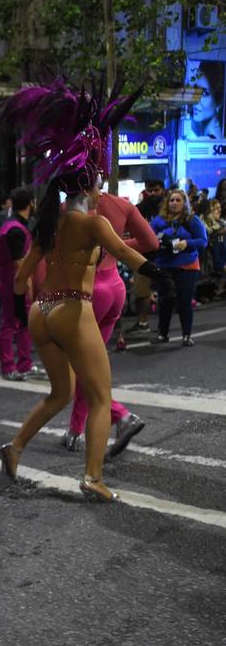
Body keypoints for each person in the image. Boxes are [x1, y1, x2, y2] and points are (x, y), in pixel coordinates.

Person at [0, 78, 171, 502]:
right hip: (73, 311)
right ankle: (92, 478)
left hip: (41, 313)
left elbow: (20, 282)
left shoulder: (47, 226)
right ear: (90, 187)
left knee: (59, 393)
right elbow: (127, 257)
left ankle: (14, 447)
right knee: (99, 395)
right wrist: (156, 273)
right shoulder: (93, 223)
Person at [62, 191, 158, 455]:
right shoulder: (121, 204)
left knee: (82, 365)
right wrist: (116, 243)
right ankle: (74, 431)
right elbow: (150, 242)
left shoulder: (67, 208)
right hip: (115, 287)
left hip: (88, 291)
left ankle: (122, 416)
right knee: (90, 363)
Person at [0, 186, 43, 380]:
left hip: (12, 281)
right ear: (31, 202)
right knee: (10, 324)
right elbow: (19, 263)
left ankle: (24, 364)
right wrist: (29, 284)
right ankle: (9, 367)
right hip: (14, 283)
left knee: (23, 323)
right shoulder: (15, 229)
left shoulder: (14, 225)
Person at [151, 188, 208, 346]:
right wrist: (158, 242)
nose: (174, 203)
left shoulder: (191, 219)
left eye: (178, 200)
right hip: (164, 265)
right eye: (171, 200)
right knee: (165, 300)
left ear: (184, 203)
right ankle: (162, 334)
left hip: (187, 265)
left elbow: (203, 241)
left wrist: (187, 243)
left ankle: (186, 335)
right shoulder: (158, 221)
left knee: (184, 300)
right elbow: (148, 239)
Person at [127, 178, 166, 335]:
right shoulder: (140, 208)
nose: (152, 193)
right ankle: (142, 322)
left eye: (156, 190)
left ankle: (164, 326)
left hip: (165, 256)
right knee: (141, 291)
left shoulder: (168, 208)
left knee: (166, 291)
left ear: (162, 189)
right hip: (143, 255)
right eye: (149, 190)